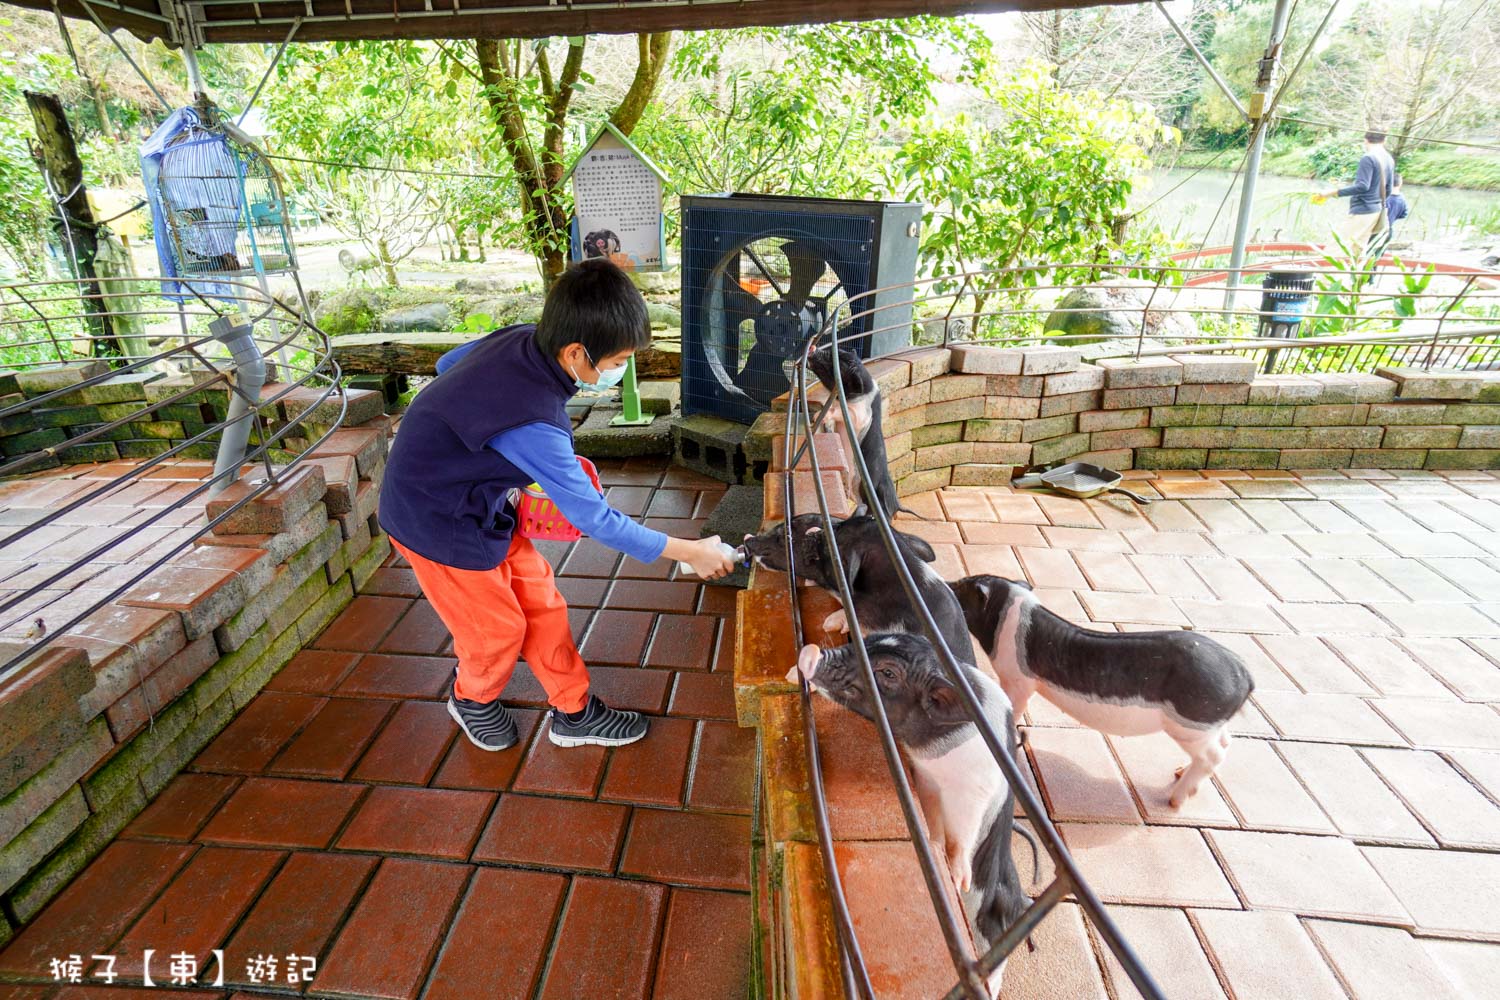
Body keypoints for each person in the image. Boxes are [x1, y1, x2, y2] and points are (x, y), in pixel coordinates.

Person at [377, 258, 737, 752]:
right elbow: (596, 520)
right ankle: (472, 699)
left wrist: (485, 458)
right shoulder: (533, 425)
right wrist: (690, 551)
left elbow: (447, 366)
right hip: (433, 522)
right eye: (615, 363)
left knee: (543, 605)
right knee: (496, 630)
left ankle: (574, 711)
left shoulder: (525, 338)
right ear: (575, 351)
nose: (620, 371)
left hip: (480, 502)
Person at [1322, 131, 1396, 254]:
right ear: (1384, 141)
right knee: (1358, 248)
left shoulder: (1368, 158)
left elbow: (1362, 186)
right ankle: (1353, 273)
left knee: (1337, 247)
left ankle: (1325, 273)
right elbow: (1388, 189)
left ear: (1366, 140)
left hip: (1363, 209)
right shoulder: (1388, 159)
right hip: (1375, 211)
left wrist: (1333, 192)